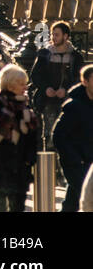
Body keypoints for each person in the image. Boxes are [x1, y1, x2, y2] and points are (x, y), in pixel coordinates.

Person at [0, 63, 39, 212]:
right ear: (10, 85)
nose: (25, 87)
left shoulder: (26, 110)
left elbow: (33, 139)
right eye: (21, 84)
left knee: (17, 208)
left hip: (18, 170)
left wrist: (29, 160)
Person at [29, 21, 85, 149]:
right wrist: (46, 88)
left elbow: (79, 78)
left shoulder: (76, 57)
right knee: (49, 134)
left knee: (69, 134)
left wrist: (66, 90)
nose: (53, 37)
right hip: (48, 100)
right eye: (52, 35)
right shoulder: (44, 54)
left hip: (68, 100)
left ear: (65, 36)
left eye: (57, 35)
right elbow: (35, 75)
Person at [52, 63, 93, 213]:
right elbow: (58, 135)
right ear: (85, 82)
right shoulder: (74, 106)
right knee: (83, 195)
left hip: (89, 163)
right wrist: (74, 160)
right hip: (77, 163)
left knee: (73, 200)